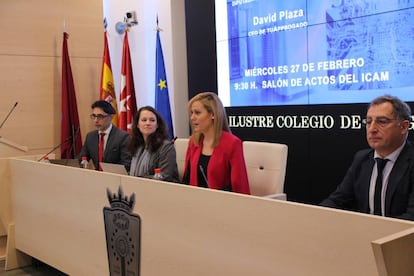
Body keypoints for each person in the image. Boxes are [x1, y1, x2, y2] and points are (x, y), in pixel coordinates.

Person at [320, 94, 414, 221]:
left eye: (382, 122)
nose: (372, 129)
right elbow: (338, 201)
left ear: (403, 127)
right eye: (369, 122)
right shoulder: (362, 158)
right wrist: (316, 217)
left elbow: (411, 218)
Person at [182, 92, 250, 194]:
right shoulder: (194, 142)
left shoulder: (232, 143)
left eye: (197, 113)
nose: (192, 118)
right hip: (195, 201)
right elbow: (187, 179)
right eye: (191, 113)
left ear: (212, 114)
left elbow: (238, 185)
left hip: (223, 203)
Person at [128, 106, 179, 182]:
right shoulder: (138, 146)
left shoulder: (166, 147)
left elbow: (164, 176)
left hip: (163, 190)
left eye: (152, 120)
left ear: (157, 125)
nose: (148, 123)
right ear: (137, 125)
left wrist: (137, 179)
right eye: (144, 120)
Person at [78, 100, 131, 171]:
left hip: (114, 178)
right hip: (97, 177)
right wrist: (83, 161)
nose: (96, 120)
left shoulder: (122, 137)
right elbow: (83, 155)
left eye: (100, 116)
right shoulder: (90, 136)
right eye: (94, 116)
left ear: (111, 117)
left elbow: (126, 164)